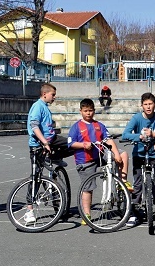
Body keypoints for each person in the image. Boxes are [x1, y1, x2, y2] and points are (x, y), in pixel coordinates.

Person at [67, 99, 129, 225]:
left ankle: (122, 182)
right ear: (81, 111)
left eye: (90, 111)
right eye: (85, 111)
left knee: (123, 154)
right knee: (88, 188)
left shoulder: (99, 125)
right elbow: (71, 143)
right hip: (85, 160)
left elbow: (108, 140)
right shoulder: (76, 127)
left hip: (100, 155)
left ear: (94, 111)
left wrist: (116, 154)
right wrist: (83, 144)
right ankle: (87, 214)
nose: (88, 113)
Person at [122, 92, 155, 227]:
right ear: (141, 105)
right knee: (137, 185)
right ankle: (135, 213)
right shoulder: (136, 118)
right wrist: (140, 137)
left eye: (150, 104)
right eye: (145, 104)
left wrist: (154, 134)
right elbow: (125, 134)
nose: (148, 107)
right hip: (139, 154)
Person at [26, 83, 72, 223]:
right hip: (38, 145)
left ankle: (56, 158)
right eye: (53, 94)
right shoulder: (38, 106)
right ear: (44, 94)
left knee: (73, 143)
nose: (54, 97)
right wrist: (44, 142)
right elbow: (34, 126)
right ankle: (29, 210)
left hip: (52, 140)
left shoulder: (45, 107)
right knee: (36, 177)